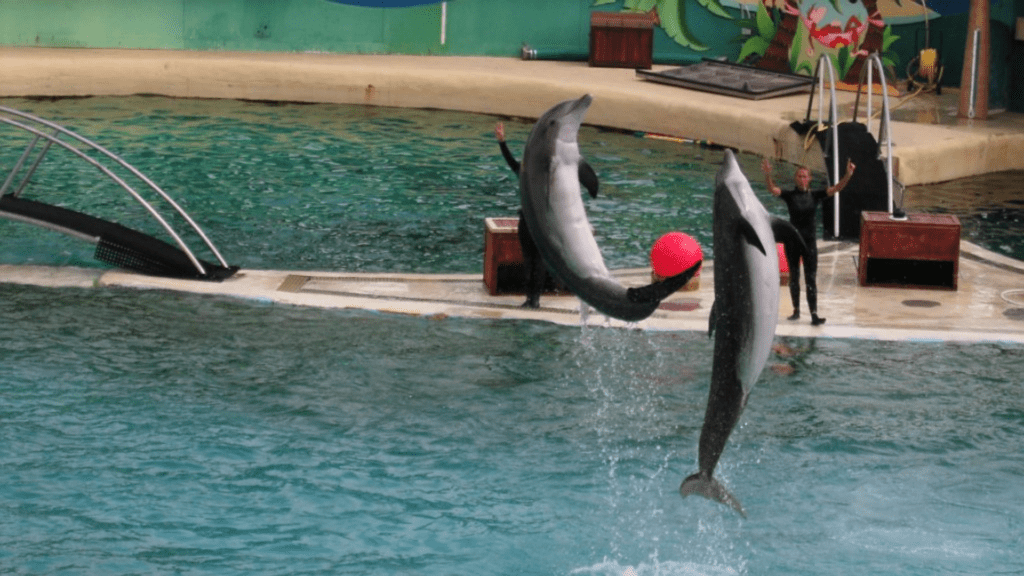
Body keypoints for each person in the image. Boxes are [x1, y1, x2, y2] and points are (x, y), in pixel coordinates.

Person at [495, 121, 597, 308]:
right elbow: (512, 163)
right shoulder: (527, 172)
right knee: (531, 261)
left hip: (541, 223)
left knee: (537, 262)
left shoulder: (551, 175)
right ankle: (531, 299)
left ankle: (534, 299)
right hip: (529, 222)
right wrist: (502, 142)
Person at [761, 157, 856, 326]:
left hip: (809, 243)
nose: (803, 179)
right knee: (794, 277)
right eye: (800, 176)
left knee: (810, 278)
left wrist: (847, 175)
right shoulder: (790, 195)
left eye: (805, 176)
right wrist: (767, 175)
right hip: (793, 242)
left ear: (810, 179)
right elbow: (772, 189)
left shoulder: (815, 195)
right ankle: (796, 311)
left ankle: (814, 313)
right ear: (796, 179)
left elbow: (836, 189)